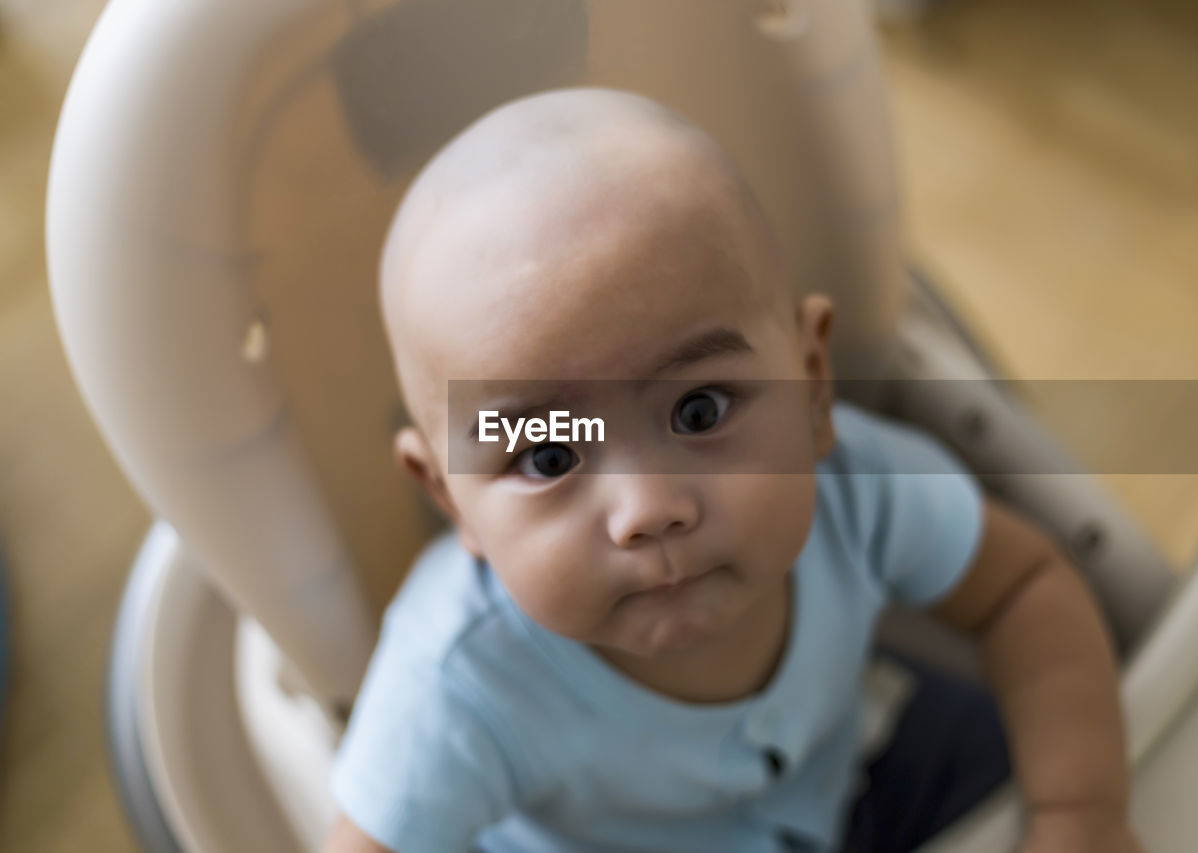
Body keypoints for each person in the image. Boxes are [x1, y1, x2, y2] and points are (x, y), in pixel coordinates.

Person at [323, 87, 1141, 853]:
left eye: (700, 411)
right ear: (450, 497)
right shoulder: (462, 681)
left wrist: (1081, 810)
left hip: (857, 764)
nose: (647, 509)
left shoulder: (861, 490)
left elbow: (1023, 590)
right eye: (547, 454)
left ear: (812, 384)